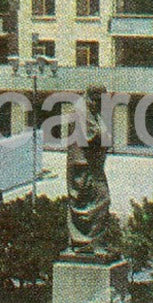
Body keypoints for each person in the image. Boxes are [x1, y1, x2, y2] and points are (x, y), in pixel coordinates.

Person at [65, 86, 111, 259]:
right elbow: (94, 136)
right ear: (93, 98)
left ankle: (90, 242)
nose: (101, 105)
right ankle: (86, 242)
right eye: (100, 101)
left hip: (91, 166)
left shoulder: (88, 109)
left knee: (98, 201)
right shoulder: (81, 110)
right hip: (83, 167)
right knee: (100, 200)